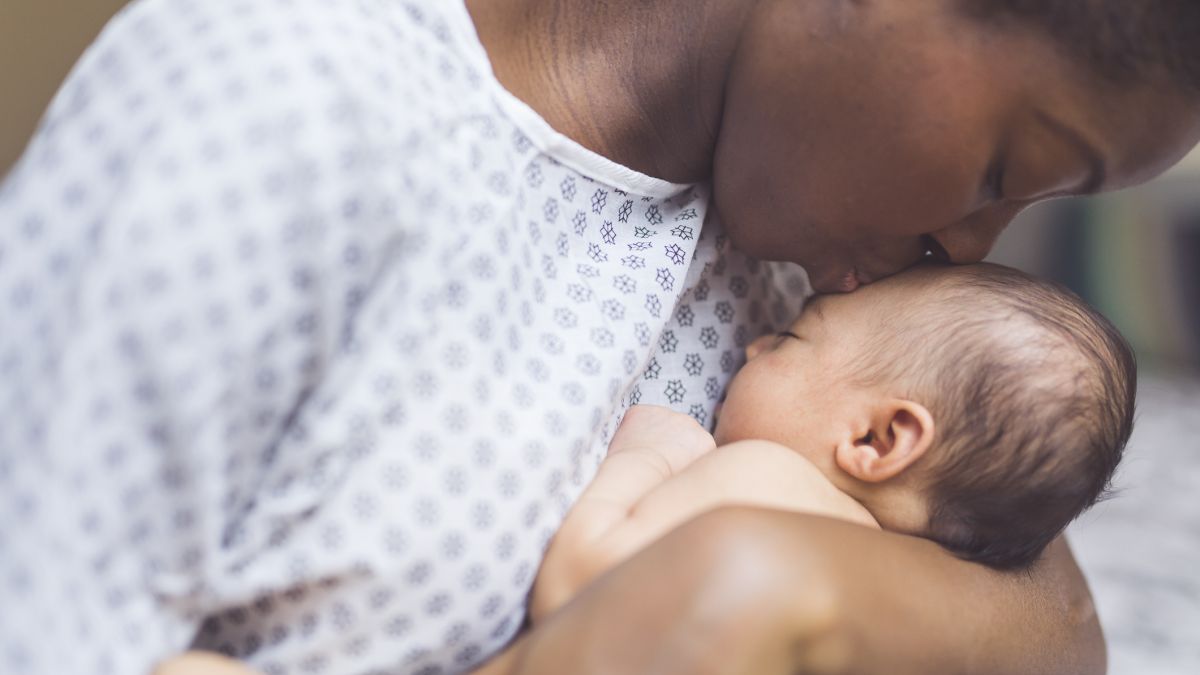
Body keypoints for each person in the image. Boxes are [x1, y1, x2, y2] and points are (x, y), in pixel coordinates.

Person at [1, 0, 1197, 673]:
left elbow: (1058, 628)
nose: (972, 245)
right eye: (1007, 169)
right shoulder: (279, 104)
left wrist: (773, 588)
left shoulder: (795, 251)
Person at [529, 262, 1135, 620]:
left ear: (876, 439)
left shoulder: (766, 479)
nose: (754, 345)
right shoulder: (897, 591)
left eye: (793, 338)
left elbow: (575, 589)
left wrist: (651, 453)